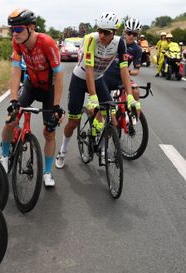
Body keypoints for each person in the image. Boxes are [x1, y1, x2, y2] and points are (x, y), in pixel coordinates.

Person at [56, 12, 136, 169]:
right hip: (80, 79)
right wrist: (93, 97)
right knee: (73, 122)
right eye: (100, 30)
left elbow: (124, 70)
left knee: (111, 117)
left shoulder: (120, 43)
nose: (102, 35)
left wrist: (131, 97)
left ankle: (104, 149)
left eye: (106, 32)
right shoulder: (92, 39)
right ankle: (63, 151)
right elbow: (89, 69)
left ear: (114, 32)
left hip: (98, 79)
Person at [0, 8, 64, 187]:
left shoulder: (46, 42)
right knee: (10, 119)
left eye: (19, 29)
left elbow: (59, 75)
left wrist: (57, 106)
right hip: (31, 85)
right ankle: (4, 156)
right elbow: (15, 68)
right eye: (12, 29)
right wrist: (13, 100)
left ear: (31, 27)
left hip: (49, 89)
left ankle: (47, 172)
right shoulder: (17, 42)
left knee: (49, 131)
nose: (15, 33)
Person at [104, 18, 143, 103]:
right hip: (106, 75)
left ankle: (135, 115)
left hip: (122, 77)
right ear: (124, 32)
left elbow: (136, 71)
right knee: (99, 106)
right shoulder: (114, 41)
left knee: (135, 91)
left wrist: (128, 71)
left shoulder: (137, 49)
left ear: (138, 35)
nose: (131, 36)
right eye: (129, 33)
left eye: (135, 34)